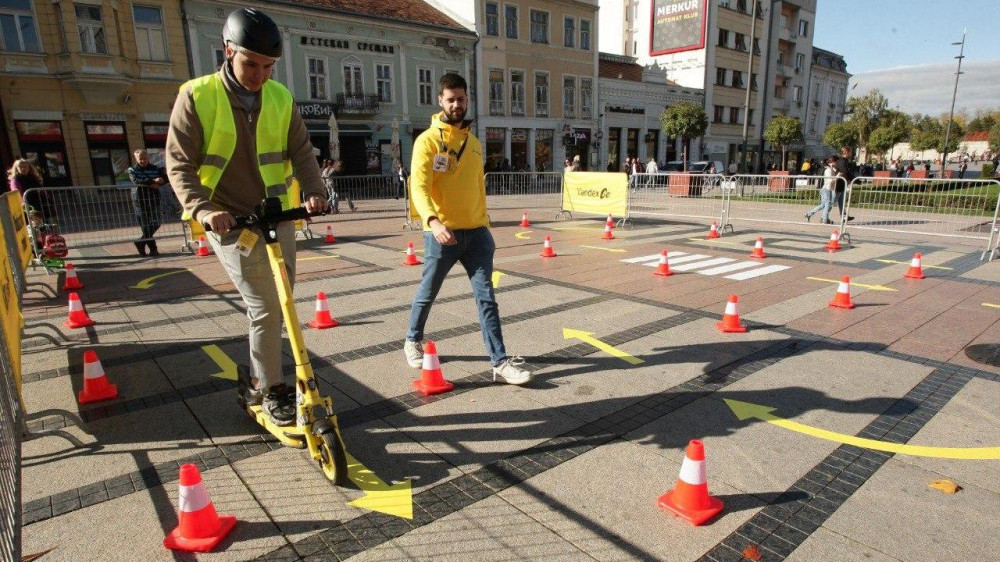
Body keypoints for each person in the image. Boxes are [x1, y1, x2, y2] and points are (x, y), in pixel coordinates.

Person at [166, 8, 329, 426]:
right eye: (251, 64)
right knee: (264, 306)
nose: (260, 75)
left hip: (277, 214)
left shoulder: (280, 97)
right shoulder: (196, 96)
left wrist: (314, 190)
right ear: (228, 51)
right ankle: (271, 387)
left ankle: (263, 376)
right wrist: (204, 209)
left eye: (268, 67)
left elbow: (302, 151)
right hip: (229, 220)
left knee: (284, 301)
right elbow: (179, 165)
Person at [403, 73, 531, 386]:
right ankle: (411, 340)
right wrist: (432, 221)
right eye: (450, 99)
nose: (457, 105)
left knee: (486, 297)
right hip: (441, 234)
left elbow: (477, 187)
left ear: (467, 99)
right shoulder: (428, 141)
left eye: (461, 99)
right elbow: (418, 187)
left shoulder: (474, 143)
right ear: (440, 101)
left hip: (476, 235)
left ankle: (499, 362)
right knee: (428, 292)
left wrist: (484, 224)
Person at [127, 149, 163, 256]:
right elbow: (136, 181)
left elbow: (162, 179)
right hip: (140, 200)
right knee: (146, 225)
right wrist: (153, 181)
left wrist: (159, 181)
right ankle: (153, 249)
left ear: (148, 158)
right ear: (136, 159)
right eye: (140, 159)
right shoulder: (132, 169)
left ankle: (140, 242)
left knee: (157, 222)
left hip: (153, 199)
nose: (143, 161)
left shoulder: (155, 168)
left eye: (145, 158)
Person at [805, 156, 837, 225]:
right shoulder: (828, 170)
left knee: (823, 205)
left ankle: (808, 214)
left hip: (829, 189)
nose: (837, 163)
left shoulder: (832, 169)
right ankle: (824, 220)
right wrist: (836, 178)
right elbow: (829, 180)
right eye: (835, 162)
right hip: (826, 189)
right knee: (827, 204)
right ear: (831, 162)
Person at [835, 147, 856, 222]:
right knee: (830, 202)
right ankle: (814, 214)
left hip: (843, 183)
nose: (851, 153)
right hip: (838, 184)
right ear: (846, 152)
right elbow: (845, 172)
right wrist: (855, 180)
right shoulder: (841, 161)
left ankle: (844, 216)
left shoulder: (846, 161)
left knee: (841, 201)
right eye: (850, 152)